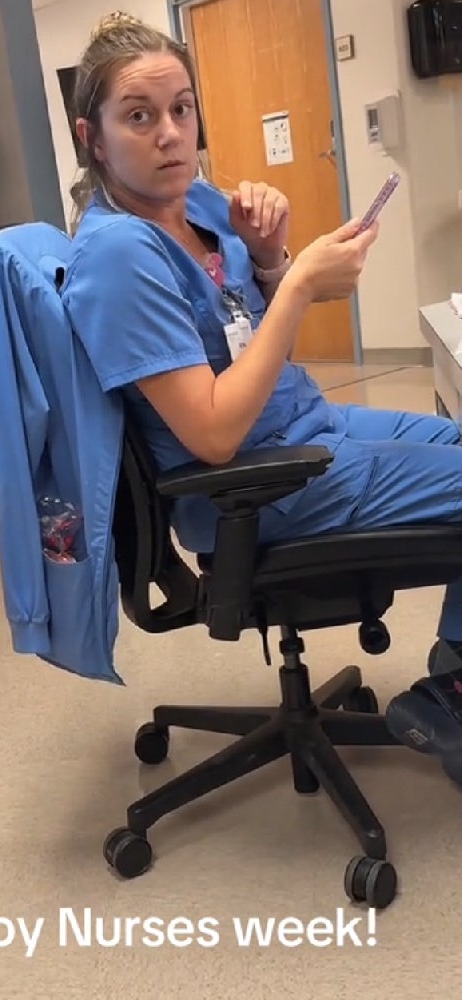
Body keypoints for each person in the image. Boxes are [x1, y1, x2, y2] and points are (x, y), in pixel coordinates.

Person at [56, 14, 462, 785]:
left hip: (306, 428)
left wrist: (272, 258)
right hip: (255, 484)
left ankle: (454, 677)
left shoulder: (197, 205)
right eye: (139, 116)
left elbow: (245, 325)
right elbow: (212, 434)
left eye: (182, 108)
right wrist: (300, 284)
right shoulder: (118, 257)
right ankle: (457, 694)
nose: (171, 134)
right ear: (92, 138)